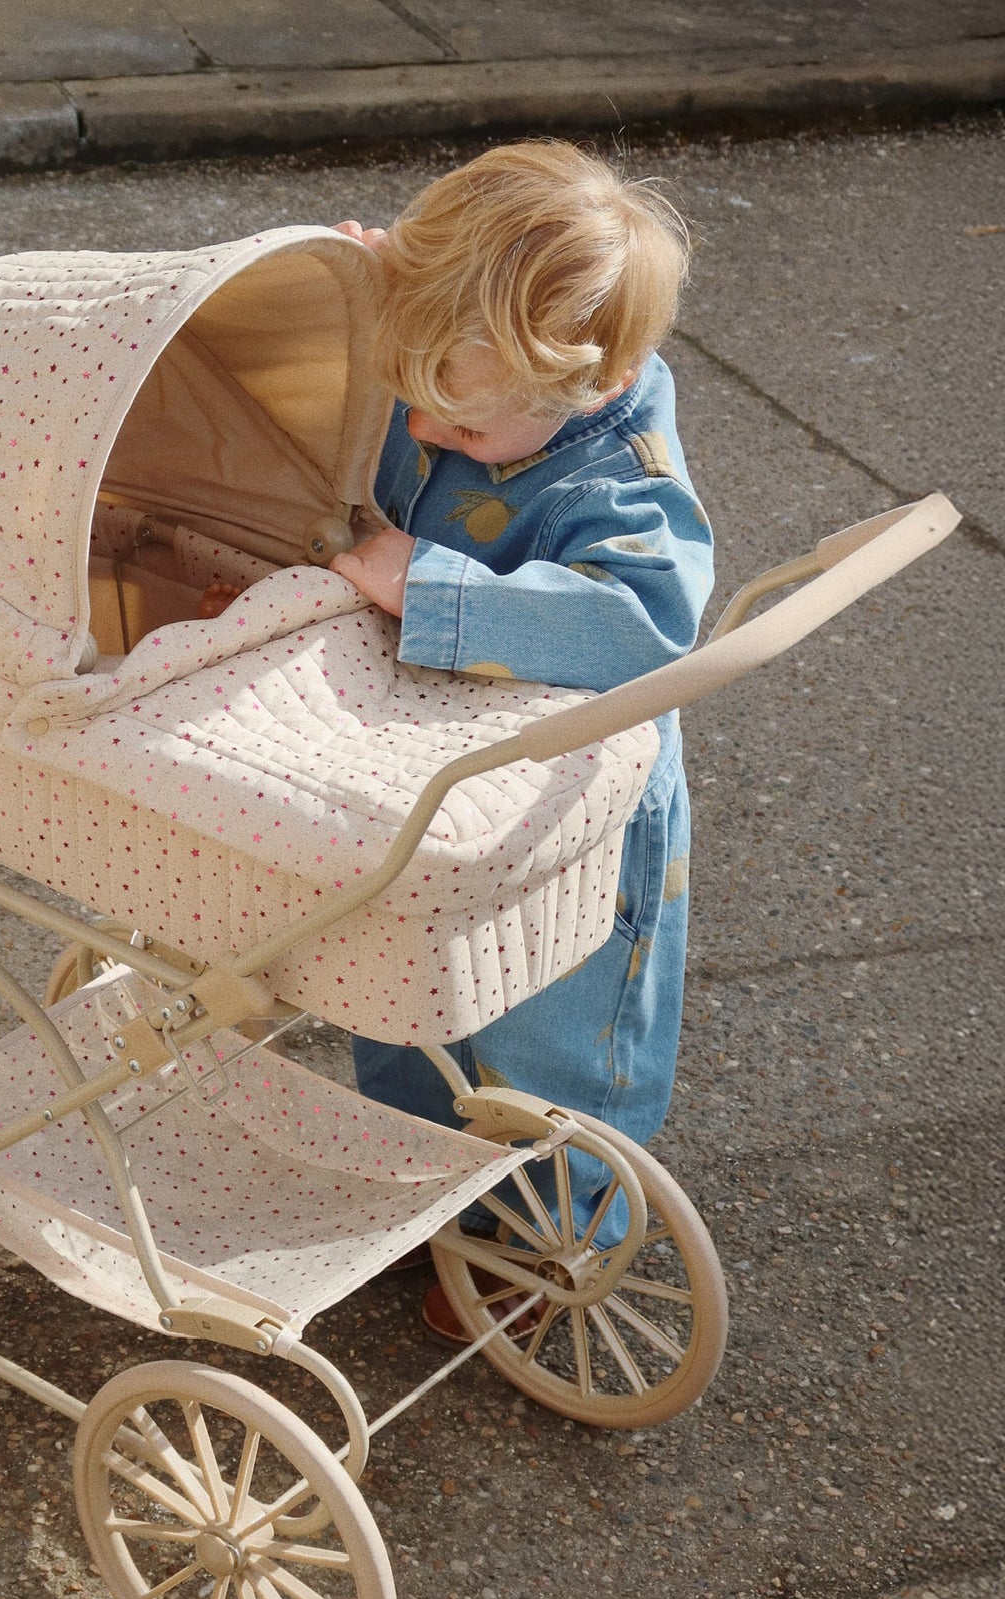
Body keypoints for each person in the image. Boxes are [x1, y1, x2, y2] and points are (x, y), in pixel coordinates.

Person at [327, 142, 713, 1341]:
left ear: (598, 379)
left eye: (461, 418)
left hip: (572, 801)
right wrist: (370, 289)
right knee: (402, 992)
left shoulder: (620, 474)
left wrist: (431, 585)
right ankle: (420, 1180)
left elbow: (644, 626)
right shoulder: (480, 368)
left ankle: (555, 1235)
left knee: (554, 1031)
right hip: (443, 762)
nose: (427, 424)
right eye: (413, 389)